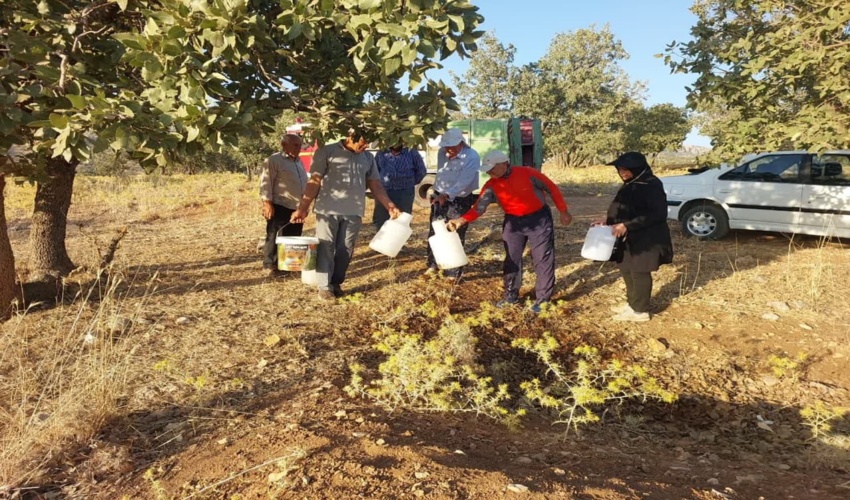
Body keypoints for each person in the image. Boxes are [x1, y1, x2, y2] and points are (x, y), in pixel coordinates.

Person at [447, 151, 572, 313]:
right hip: (513, 222)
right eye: (487, 169)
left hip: (539, 219)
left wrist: (563, 211)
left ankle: (543, 300)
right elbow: (479, 208)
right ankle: (510, 296)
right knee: (512, 259)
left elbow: (552, 189)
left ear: (504, 164)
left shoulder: (528, 173)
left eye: (492, 168)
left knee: (542, 258)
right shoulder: (491, 185)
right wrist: (461, 220)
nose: (489, 172)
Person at [291, 128, 401, 300]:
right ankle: (324, 286)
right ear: (351, 136)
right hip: (327, 210)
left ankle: (336, 282)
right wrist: (303, 207)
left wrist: (390, 205)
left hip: (354, 211)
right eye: (363, 142)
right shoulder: (326, 152)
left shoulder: (367, 157)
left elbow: (376, 185)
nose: (366, 146)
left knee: (346, 249)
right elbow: (314, 182)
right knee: (326, 247)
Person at [594, 151, 673, 322]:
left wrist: (627, 225)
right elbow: (625, 208)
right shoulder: (632, 182)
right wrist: (608, 221)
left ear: (637, 169)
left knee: (639, 271)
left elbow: (657, 214)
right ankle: (632, 304)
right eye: (620, 169)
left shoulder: (650, 184)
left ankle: (640, 311)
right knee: (626, 268)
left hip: (646, 238)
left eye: (626, 169)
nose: (623, 173)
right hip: (629, 237)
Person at [427, 128, 480, 278]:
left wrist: (446, 195)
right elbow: (441, 174)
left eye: (452, 146)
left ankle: (453, 272)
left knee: (453, 231)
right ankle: (433, 264)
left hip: (459, 199)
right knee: (435, 230)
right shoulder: (442, 153)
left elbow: (464, 181)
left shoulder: (471, 156)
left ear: (461, 143)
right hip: (440, 196)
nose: (449, 149)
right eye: (446, 146)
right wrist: (438, 193)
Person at [259, 133, 307, 276]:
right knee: (275, 235)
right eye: (295, 145)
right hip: (280, 204)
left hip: (297, 206)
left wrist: (304, 206)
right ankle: (269, 265)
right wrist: (267, 203)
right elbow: (266, 182)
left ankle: (288, 266)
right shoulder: (273, 160)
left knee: (293, 237)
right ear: (284, 145)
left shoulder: (299, 162)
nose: (299, 148)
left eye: (300, 145)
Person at [373, 144, 427, 229]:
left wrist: (409, 182)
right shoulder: (381, 153)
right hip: (384, 192)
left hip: (405, 193)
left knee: (402, 219)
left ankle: (399, 240)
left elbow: (421, 171)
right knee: (381, 220)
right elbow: (375, 171)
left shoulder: (411, 152)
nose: (395, 144)